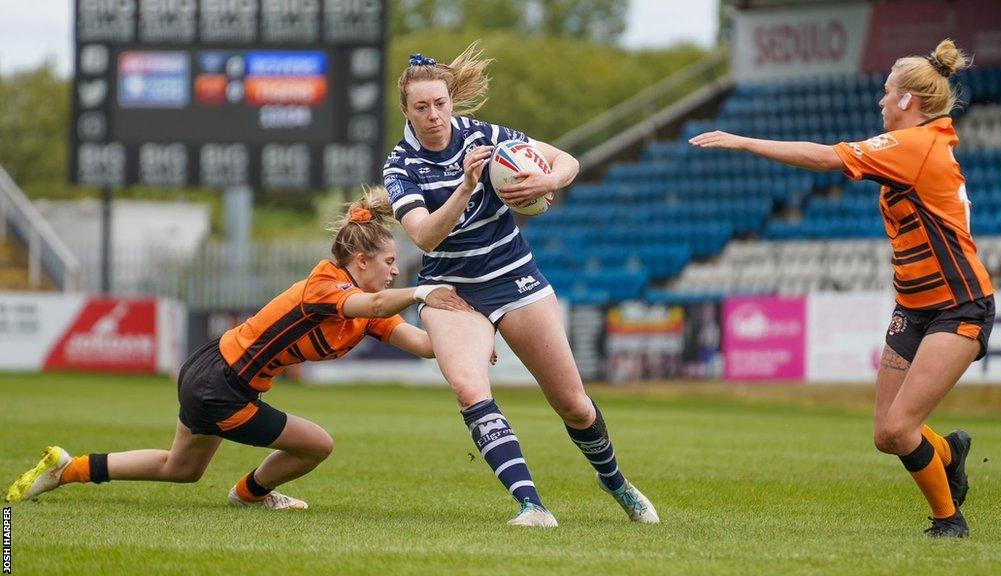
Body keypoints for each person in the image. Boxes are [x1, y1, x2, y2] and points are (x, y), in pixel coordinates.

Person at [689, 39, 994, 538]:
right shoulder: (918, 144)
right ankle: (949, 452)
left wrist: (744, 141)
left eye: (886, 92)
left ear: (906, 101)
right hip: (913, 307)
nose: (879, 101)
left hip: (958, 305)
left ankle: (949, 521)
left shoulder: (914, 145)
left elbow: (824, 157)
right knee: (885, 435)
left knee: (900, 429)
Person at [4, 187, 473, 509]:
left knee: (180, 468)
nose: (395, 272)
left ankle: (69, 469)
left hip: (213, 373)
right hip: (220, 384)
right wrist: (420, 293)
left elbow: (425, 345)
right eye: (390, 262)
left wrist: (471, 332)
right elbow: (373, 300)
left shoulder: (365, 311)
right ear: (361, 260)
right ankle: (252, 494)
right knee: (317, 445)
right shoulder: (327, 284)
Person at [383, 44, 659, 527]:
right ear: (405, 110)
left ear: (452, 101)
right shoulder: (400, 164)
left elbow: (566, 160)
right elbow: (424, 235)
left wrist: (545, 180)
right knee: (470, 389)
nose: (433, 116)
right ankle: (532, 506)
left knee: (572, 403)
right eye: (421, 107)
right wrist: (466, 187)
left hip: (513, 276)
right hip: (450, 291)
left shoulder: (486, 136)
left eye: (440, 104)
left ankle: (616, 482)